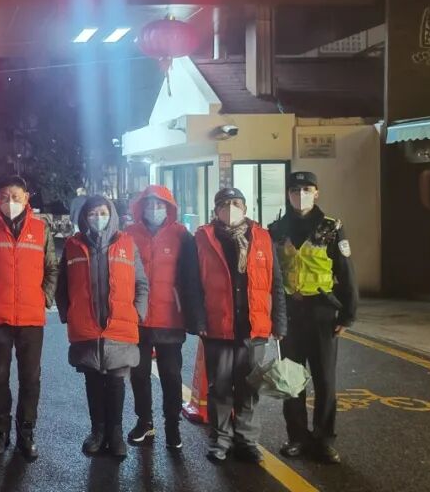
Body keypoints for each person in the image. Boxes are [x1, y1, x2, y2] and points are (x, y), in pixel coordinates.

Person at [0, 176, 59, 460]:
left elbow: (52, 267)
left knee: (30, 378)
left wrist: (44, 297)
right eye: (5, 197)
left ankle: (26, 432)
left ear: (26, 197)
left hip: (31, 317)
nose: (10, 202)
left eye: (16, 196)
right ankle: (1, 431)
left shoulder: (41, 229)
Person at [270, 171, 358, 464]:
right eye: (295, 189)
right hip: (289, 314)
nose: (301, 194)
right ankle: (297, 437)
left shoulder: (331, 227)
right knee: (291, 380)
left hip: (322, 312)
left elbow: (346, 271)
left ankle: (324, 440)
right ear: (288, 194)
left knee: (324, 380)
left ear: (317, 192)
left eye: (307, 189)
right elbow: (270, 275)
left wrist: (348, 314)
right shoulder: (276, 229)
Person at [194, 187, 286, 464]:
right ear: (216, 210)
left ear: (245, 207)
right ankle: (221, 439)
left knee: (248, 387)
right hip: (218, 326)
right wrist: (198, 320)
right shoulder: (203, 238)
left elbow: (276, 283)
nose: (230, 208)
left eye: (236, 203)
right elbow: (192, 283)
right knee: (220, 387)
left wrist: (279, 322)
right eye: (224, 204)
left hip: (253, 327)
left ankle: (247, 440)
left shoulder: (262, 237)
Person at [56, 196, 149, 458]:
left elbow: (141, 283)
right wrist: (68, 314)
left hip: (119, 326)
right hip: (86, 327)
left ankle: (115, 433)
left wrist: (137, 313)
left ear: (112, 215)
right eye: (92, 213)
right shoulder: (73, 246)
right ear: (84, 217)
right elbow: (62, 286)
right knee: (93, 381)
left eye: (103, 212)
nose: (98, 218)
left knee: (117, 382)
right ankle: (97, 431)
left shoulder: (127, 244)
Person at [124, 186, 201, 450]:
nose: (154, 209)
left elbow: (192, 277)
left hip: (170, 318)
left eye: (160, 205)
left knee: (171, 375)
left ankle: (172, 425)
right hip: (137, 318)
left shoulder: (182, 235)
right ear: (141, 207)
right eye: (149, 204)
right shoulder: (129, 234)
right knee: (139, 375)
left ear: (169, 208)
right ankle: (145, 421)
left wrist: (194, 316)